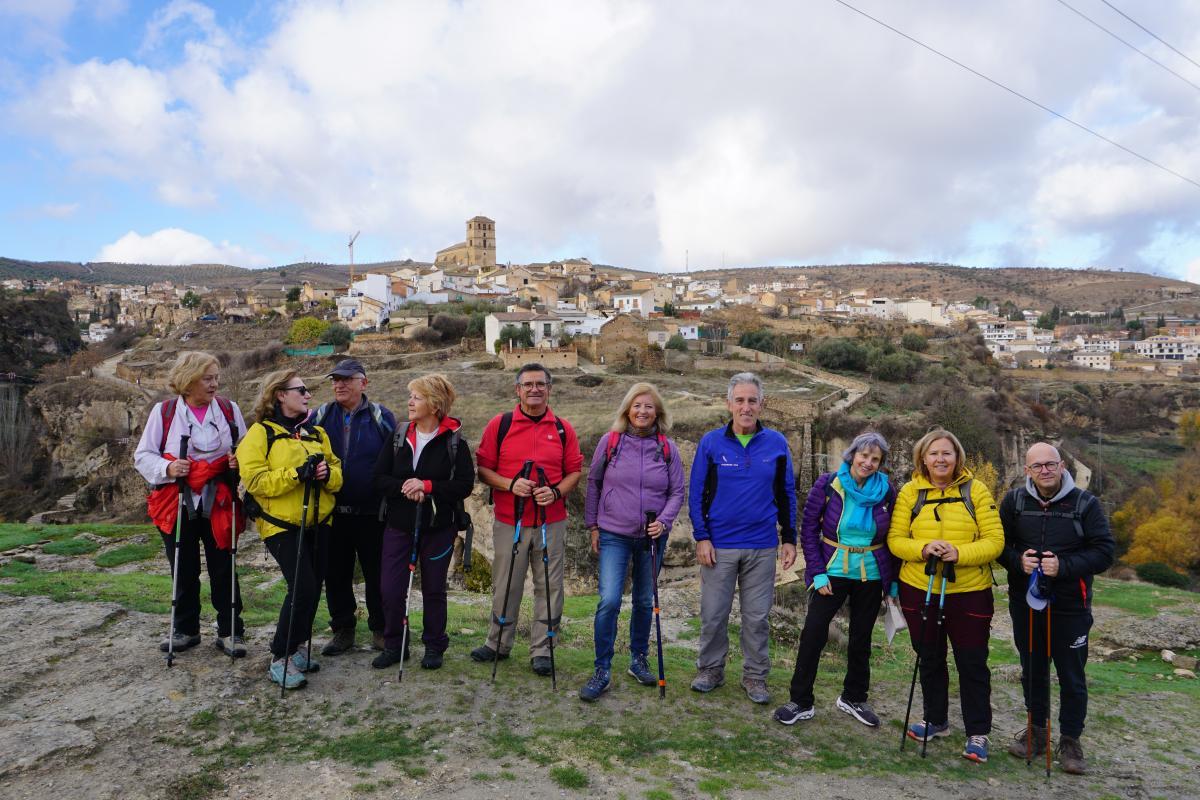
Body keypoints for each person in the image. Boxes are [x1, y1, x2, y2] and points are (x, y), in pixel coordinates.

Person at [887, 428, 1003, 763]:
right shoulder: (910, 492)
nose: (940, 459)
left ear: (957, 457)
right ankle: (935, 720)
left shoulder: (976, 490)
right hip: (919, 587)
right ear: (923, 458)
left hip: (968, 592)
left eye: (946, 453)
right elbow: (896, 540)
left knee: (972, 662)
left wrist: (959, 553)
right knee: (929, 657)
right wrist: (924, 548)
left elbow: (995, 541)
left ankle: (977, 732)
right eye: (934, 453)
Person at [999, 442, 1114, 775]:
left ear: (1062, 466)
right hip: (1026, 602)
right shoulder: (1014, 502)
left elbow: (1104, 552)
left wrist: (1063, 566)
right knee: (1032, 670)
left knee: (1071, 676)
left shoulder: (1085, 504)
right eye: (1037, 466)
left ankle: (1070, 741)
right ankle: (1036, 733)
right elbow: (998, 545)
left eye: (1050, 464)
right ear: (1027, 471)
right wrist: (1017, 561)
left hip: (1071, 605)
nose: (1045, 470)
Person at [775, 431, 897, 727]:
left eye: (875, 459)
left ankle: (854, 697)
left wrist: (892, 583)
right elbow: (809, 530)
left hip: (871, 573)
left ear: (880, 463)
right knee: (813, 633)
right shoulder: (828, 484)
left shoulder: (887, 492)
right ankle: (800, 701)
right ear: (853, 455)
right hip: (832, 570)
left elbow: (894, 537)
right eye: (864, 455)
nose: (868, 463)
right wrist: (817, 572)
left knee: (861, 638)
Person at [687, 372, 796, 704]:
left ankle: (755, 676)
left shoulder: (777, 443)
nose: (746, 407)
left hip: (762, 545)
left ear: (762, 404)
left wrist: (789, 538)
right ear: (729, 404)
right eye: (740, 400)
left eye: (752, 400)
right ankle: (710, 669)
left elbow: (786, 493)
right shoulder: (711, 443)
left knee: (757, 617)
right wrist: (701, 537)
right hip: (719, 545)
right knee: (714, 614)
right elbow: (696, 494)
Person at [470, 363, 584, 675]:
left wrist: (556, 492)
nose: (535, 389)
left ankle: (543, 650)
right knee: (506, 584)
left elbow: (574, 471)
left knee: (550, 586)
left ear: (549, 389)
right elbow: (483, 470)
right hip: (510, 521)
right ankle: (497, 643)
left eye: (540, 384)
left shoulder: (563, 429)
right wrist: (510, 484)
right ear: (517, 390)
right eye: (528, 384)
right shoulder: (500, 425)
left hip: (551, 522)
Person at [135, 352, 248, 658]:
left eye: (216, 378)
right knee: (183, 566)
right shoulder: (164, 413)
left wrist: (238, 461)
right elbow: (143, 455)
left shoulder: (229, 410)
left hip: (220, 500)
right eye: (207, 378)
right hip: (177, 500)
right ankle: (186, 629)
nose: (214, 384)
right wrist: (169, 468)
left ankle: (231, 631)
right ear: (188, 381)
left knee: (224, 566)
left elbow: (245, 448)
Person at [237, 370, 343, 689]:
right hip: (281, 525)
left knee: (313, 587)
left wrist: (326, 475)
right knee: (302, 587)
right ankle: (280, 655)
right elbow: (256, 481)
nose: (308, 395)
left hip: (320, 523)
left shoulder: (316, 433)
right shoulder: (260, 433)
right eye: (301, 390)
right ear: (280, 394)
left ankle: (297, 648)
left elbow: (338, 472)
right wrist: (297, 474)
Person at [579, 382, 685, 701]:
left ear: (657, 412)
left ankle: (638, 659)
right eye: (637, 405)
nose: (642, 411)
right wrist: (593, 525)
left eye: (649, 406)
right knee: (610, 600)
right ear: (627, 410)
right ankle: (602, 668)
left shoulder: (667, 448)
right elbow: (594, 483)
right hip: (614, 533)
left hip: (652, 536)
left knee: (643, 600)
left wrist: (664, 521)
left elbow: (677, 491)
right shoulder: (610, 442)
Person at [372, 374, 474, 670]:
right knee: (391, 589)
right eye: (411, 396)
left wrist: (427, 486)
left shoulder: (455, 442)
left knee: (433, 589)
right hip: (398, 526)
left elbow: (464, 485)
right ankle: (395, 644)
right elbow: (378, 478)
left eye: (416, 397)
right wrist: (406, 487)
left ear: (435, 404)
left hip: (439, 528)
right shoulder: (398, 436)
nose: (410, 402)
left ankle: (434, 645)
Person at [313, 358, 396, 656]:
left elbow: (396, 457)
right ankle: (343, 630)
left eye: (347, 379)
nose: (339, 384)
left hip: (373, 513)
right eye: (336, 379)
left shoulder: (381, 416)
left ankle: (380, 630)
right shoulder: (320, 415)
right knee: (336, 574)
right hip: (332, 513)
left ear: (364, 383)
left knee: (377, 574)